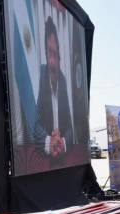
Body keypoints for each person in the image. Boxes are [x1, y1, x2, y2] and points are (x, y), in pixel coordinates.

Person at [34, 17, 74, 157]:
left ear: (60, 58)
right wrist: (49, 141)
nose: (52, 61)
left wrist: (62, 142)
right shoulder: (40, 76)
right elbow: (35, 124)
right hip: (42, 160)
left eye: (55, 54)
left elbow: (70, 128)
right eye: (49, 53)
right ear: (45, 55)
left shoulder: (62, 80)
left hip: (62, 158)